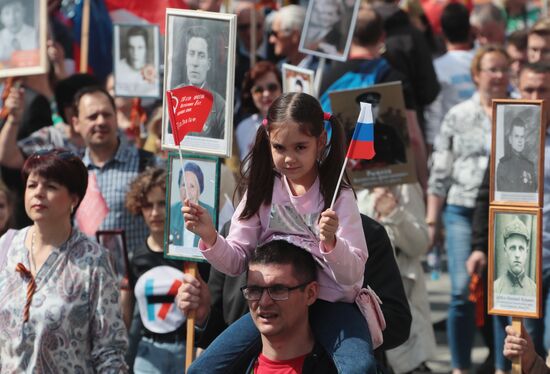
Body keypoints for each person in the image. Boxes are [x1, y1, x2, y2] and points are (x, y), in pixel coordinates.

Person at [182, 92, 376, 373]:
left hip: (332, 304)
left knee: (360, 368)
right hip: (274, 302)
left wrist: (332, 243)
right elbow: (236, 261)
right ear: (267, 141)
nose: (288, 158)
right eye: (279, 147)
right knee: (201, 369)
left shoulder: (339, 195)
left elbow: (353, 274)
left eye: (300, 147)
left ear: (320, 142)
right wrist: (210, 237)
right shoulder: (261, 190)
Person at [0, 149, 128, 372]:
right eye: (32, 185)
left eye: (51, 186)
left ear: (74, 199)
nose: (39, 193)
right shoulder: (6, 246)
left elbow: (109, 350)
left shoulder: (94, 260)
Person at [426, 45, 510, 374]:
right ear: (476, 75)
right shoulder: (458, 114)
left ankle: (505, 366)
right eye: (491, 69)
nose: (499, 76)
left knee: (505, 295)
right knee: (463, 289)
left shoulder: (520, 111)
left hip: (506, 211)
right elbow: (441, 172)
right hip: (461, 209)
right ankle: (460, 366)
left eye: (504, 69)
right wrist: (433, 219)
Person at [123, 167, 209, 373]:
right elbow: (125, 316)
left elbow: (206, 307)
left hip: (186, 350)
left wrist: (201, 348)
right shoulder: (136, 258)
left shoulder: (191, 253)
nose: (155, 212)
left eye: (162, 203)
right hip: (147, 353)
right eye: (147, 205)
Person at [357, 182, 435, 374]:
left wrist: (393, 212)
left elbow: (420, 244)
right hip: (364, 296)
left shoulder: (405, 185)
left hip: (400, 288)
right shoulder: (350, 183)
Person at [234, 239, 336, 373]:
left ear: (310, 293)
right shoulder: (230, 367)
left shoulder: (338, 369)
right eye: (255, 290)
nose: (264, 302)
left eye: (278, 289)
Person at [424, 2, 476, 151]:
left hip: (452, 145)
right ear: (470, 28)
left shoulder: (436, 67)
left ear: (441, 32)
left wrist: (429, 146)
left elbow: (434, 112)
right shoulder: (484, 61)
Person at [174, 26, 225, 140]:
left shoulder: (220, 105)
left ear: (208, 64)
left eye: (201, 56)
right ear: (186, 58)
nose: (195, 63)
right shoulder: (173, 98)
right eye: (191, 54)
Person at [236, 61, 282, 160]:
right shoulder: (243, 128)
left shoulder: (292, 126)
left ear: (282, 89)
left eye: (272, 87)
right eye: (258, 90)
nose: (266, 94)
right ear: (250, 94)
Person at [169, 162, 215, 247]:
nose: (187, 191)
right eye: (183, 185)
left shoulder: (211, 213)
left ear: (199, 190)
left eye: (192, 186)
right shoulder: (171, 211)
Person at [494, 217, 536, 297]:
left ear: (526, 252)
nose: (517, 255)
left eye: (521, 248)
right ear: (505, 251)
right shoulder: (495, 288)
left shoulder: (534, 289)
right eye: (513, 248)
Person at [268, 5, 319, 71]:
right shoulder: (279, 69)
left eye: (275, 34)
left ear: (295, 35)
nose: (271, 40)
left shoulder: (321, 72)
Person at [496, 117, 537, 193]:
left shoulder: (530, 166)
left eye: (522, 137)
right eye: (516, 136)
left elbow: (533, 192)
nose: (520, 141)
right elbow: (502, 195)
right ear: (510, 139)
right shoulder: (503, 165)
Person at [116, 26, 158, 97]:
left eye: (140, 47)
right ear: (127, 48)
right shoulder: (118, 68)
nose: (135, 52)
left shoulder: (155, 70)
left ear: (146, 48)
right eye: (131, 47)